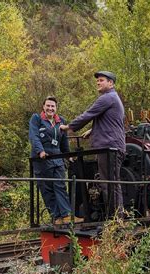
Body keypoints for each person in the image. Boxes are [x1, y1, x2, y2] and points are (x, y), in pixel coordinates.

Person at [60, 71, 126, 215]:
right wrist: (93, 130)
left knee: (109, 184)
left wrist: (69, 127)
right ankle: (116, 218)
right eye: (98, 80)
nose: (98, 82)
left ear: (111, 83)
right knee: (111, 183)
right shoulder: (113, 98)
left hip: (109, 147)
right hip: (113, 145)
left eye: (101, 80)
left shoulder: (107, 98)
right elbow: (112, 121)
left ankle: (116, 220)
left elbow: (88, 114)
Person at [29, 96, 82, 224]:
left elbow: (63, 142)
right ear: (43, 106)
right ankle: (56, 217)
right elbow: (34, 136)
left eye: (53, 106)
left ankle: (66, 215)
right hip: (42, 159)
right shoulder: (36, 119)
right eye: (48, 105)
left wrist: (68, 155)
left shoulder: (60, 121)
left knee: (60, 185)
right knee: (47, 188)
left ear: (56, 108)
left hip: (57, 158)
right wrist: (40, 151)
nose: (50, 108)